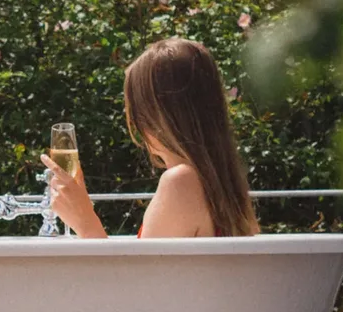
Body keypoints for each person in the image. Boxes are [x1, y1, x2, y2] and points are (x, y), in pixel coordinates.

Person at [47, 38, 260, 239]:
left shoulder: (180, 183)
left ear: (154, 117)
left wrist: (85, 222)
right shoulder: (228, 186)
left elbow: (138, 278)